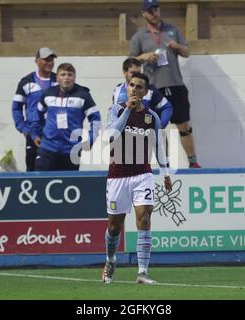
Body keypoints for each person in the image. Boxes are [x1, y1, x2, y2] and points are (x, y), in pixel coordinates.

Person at [102, 72, 172, 284]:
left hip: (143, 174)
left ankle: (142, 272)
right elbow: (110, 136)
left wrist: (166, 173)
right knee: (115, 226)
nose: (134, 89)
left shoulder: (152, 117)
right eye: (131, 85)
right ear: (127, 87)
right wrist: (127, 112)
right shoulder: (115, 110)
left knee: (144, 217)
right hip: (117, 176)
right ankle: (110, 259)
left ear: (145, 91)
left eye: (139, 86)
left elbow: (159, 147)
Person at [130, 0, 201, 168]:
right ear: (144, 14)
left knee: (184, 125)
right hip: (153, 88)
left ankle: (193, 162)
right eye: (150, 10)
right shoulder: (138, 37)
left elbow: (187, 52)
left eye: (156, 9)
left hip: (175, 85)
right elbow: (131, 60)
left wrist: (177, 46)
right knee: (158, 128)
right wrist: (144, 56)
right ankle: (165, 164)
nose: (154, 13)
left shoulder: (173, 30)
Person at [34, 63, 101, 171]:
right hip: (47, 149)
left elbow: (96, 119)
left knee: (68, 186)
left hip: (71, 151)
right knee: (40, 184)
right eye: (63, 74)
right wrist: (35, 133)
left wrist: (91, 139)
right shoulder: (47, 94)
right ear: (57, 77)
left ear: (74, 77)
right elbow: (37, 115)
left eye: (70, 75)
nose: (66, 77)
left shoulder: (83, 95)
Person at [12, 47, 58, 171]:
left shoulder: (59, 80)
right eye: (46, 59)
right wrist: (26, 131)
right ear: (37, 61)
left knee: (56, 173)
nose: (50, 62)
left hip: (55, 136)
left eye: (52, 59)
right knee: (34, 174)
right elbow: (16, 108)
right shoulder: (26, 82)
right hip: (35, 136)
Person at [113, 57, 172, 129]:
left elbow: (167, 107)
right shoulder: (117, 90)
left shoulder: (150, 90)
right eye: (133, 73)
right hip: (123, 134)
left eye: (138, 72)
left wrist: (161, 126)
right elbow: (115, 113)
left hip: (143, 133)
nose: (136, 75)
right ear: (125, 73)